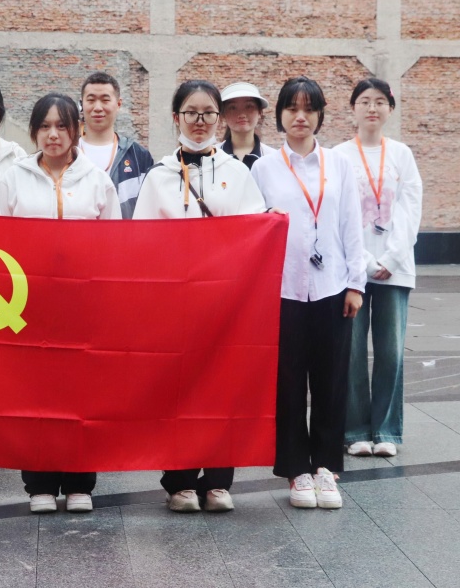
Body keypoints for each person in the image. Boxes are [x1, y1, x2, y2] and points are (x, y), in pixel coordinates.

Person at [133, 80, 268, 513]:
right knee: (179, 391)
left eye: (208, 113)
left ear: (219, 118)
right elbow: (142, 241)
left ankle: (219, 481)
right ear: (176, 117)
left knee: (222, 388)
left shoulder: (237, 172)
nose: (199, 121)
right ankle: (180, 482)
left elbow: (254, 232)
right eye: (191, 112)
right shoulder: (159, 176)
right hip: (174, 303)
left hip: (226, 302)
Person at [0, 93, 120, 513]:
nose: (53, 135)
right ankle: (40, 484)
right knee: (36, 396)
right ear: (33, 131)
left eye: (62, 126)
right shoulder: (12, 178)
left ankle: (81, 482)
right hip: (28, 306)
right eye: (45, 126)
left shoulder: (97, 180)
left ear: (76, 131)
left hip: (83, 306)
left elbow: (113, 246)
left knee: (82, 395)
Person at [251, 76, 366, 510]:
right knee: (288, 383)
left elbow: (351, 225)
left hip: (332, 287)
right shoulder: (264, 168)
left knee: (331, 381)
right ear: (279, 115)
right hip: (282, 291)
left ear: (319, 116)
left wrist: (355, 283)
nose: (300, 117)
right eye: (292, 108)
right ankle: (297, 469)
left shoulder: (339, 165)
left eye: (309, 109)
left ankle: (326, 468)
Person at [335, 79, 423, 460]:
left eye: (380, 102)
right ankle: (355, 430)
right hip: (351, 270)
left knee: (391, 351)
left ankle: (387, 430)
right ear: (353, 108)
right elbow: (338, 213)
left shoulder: (402, 155)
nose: (372, 108)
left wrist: (391, 258)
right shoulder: (339, 156)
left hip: (395, 269)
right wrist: (366, 261)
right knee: (352, 351)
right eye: (364, 101)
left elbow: (410, 209)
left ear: (390, 109)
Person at [79, 71, 154, 218]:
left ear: (118, 104)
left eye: (105, 100)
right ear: (82, 104)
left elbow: (150, 208)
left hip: (124, 233)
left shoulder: (139, 156)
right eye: (91, 100)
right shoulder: (69, 153)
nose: (98, 107)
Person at [217, 82, 277, 169]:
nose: (241, 114)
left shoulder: (273, 159)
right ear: (223, 114)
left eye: (249, 106)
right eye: (232, 108)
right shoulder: (212, 157)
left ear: (260, 112)